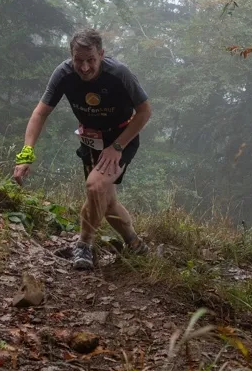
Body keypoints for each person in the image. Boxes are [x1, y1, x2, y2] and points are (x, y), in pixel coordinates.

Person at [12, 28, 152, 269]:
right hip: (90, 139)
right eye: (79, 60)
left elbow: (145, 112)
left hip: (121, 138)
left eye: (91, 60)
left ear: (102, 54)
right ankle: (136, 245)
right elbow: (40, 113)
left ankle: (84, 245)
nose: (85, 67)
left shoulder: (119, 73)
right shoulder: (64, 74)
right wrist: (26, 153)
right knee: (105, 200)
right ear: (71, 55)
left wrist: (117, 147)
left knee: (95, 186)